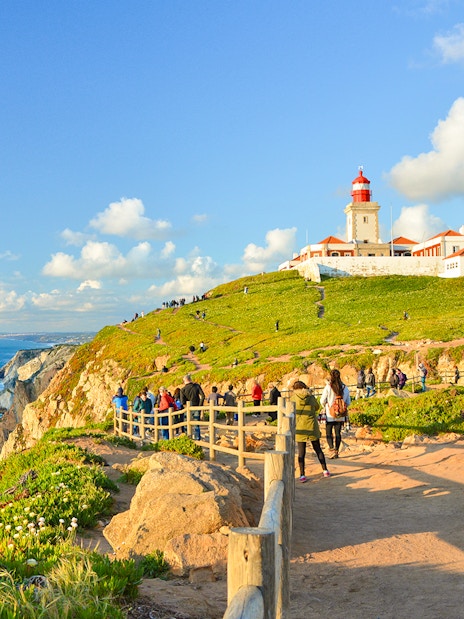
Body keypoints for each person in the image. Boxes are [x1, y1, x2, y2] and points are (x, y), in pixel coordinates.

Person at [291, 380, 330, 482]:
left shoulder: (293, 398)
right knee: (318, 449)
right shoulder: (310, 396)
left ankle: (302, 475)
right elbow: (317, 407)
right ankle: (325, 470)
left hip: (300, 427)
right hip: (312, 426)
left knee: (301, 452)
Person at [320, 369, 351, 459]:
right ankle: (337, 451)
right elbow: (348, 402)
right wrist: (342, 407)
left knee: (329, 432)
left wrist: (326, 406)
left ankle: (331, 449)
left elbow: (322, 400)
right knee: (338, 433)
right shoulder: (345, 387)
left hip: (330, 414)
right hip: (340, 414)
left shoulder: (328, 387)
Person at [180, 374, 205, 440]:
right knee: (196, 424)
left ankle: (187, 439)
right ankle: (197, 439)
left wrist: (185, 406)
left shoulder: (183, 389)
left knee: (186, 424)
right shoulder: (197, 386)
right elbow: (203, 396)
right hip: (196, 407)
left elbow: (182, 402)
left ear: (184, 381)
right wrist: (200, 405)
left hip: (187, 408)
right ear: (190, 379)